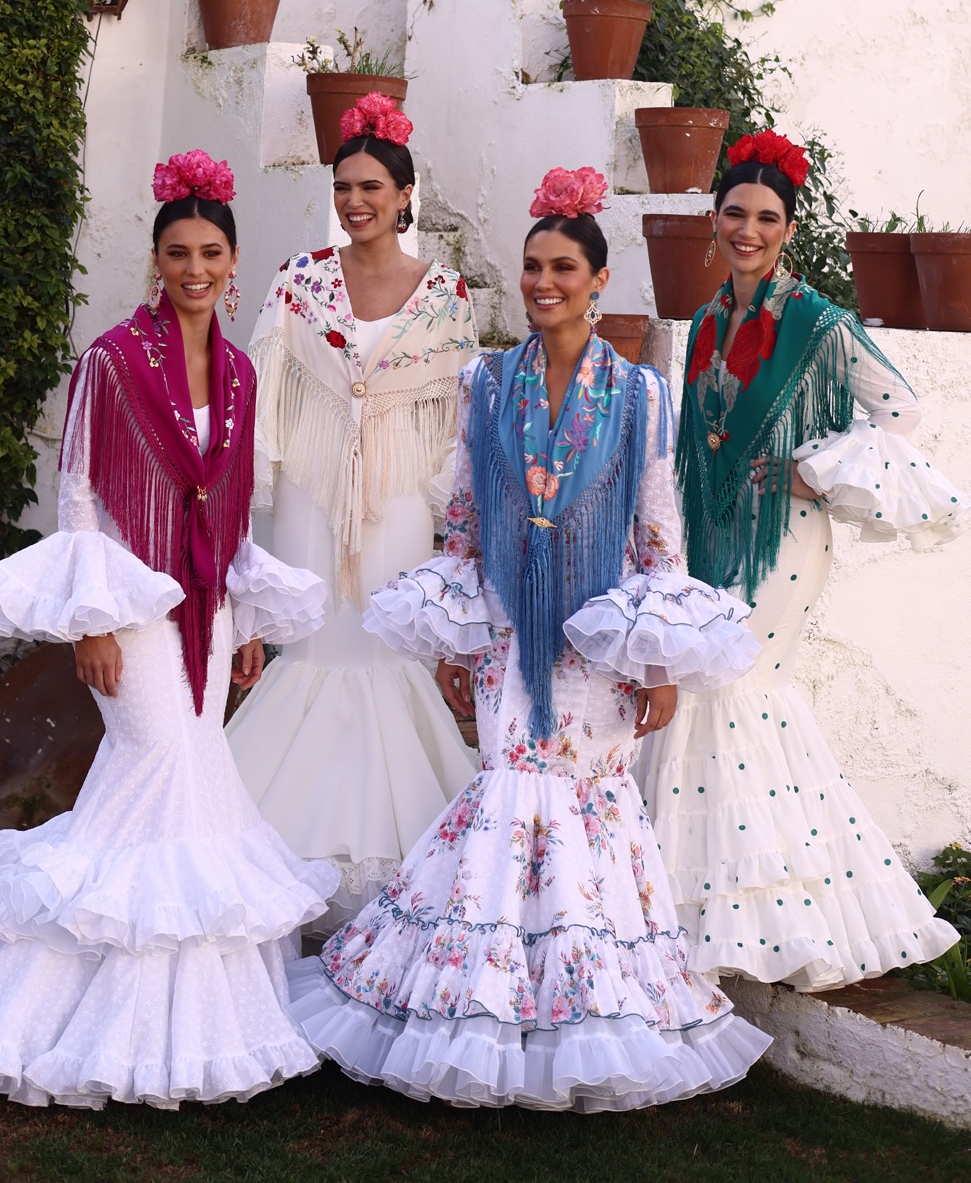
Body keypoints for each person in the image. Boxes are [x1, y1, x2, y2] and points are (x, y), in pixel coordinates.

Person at [285, 166, 771, 1111]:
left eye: (562, 268)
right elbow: (465, 516)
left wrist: (658, 660)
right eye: (531, 268)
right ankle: (481, 1002)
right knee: (508, 792)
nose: (543, 283)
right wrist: (459, 645)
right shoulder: (487, 383)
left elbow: (656, 530)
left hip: (598, 650)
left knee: (590, 810)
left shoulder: (639, 397)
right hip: (509, 634)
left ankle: (591, 1014)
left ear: (596, 280)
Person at [0, 152, 338, 1108]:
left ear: (235, 264)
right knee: (157, 767)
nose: (195, 268)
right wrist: (92, 622)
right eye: (178, 253)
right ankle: (85, 1017)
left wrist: (248, 615)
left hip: (211, 606)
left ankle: (176, 1012)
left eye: (212, 253)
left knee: (186, 774)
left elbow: (233, 500)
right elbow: (77, 495)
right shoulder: (110, 359)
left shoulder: (236, 372)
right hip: (135, 605)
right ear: (156, 261)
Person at [642, 130, 967, 992]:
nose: (748, 229)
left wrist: (812, 470)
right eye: (735, 213)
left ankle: (784, 920)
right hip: (715, 532)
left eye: (767, 218)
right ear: (713, 220)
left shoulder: (819, 322)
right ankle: (710, 922)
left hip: (783, 540)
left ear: (788, 230)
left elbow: (899, 407)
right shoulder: (710, 318)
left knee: (740, 691)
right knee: (712, 698)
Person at [225, 93, 478, 933]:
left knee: (383, 645)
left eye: (371, 186)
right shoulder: (300, 280)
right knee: (315, 641)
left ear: (405, 195)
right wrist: (261, 482)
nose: (355, 201)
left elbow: (454, 410)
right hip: (310, 487)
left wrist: (452, 512)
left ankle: (400, 863)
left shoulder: (444, 296)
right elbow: (263, 382)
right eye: (343, 187)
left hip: (397, 498)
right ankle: (269, 851)